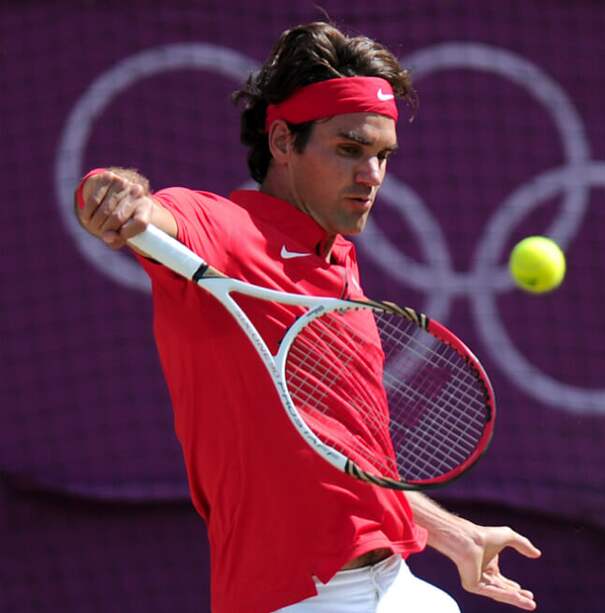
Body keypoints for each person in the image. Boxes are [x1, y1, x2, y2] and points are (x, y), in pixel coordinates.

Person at [73, 21, 540, 613]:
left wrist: (456, 534)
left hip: (398, 588)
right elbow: (148, 209)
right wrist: (116, 193)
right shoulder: (224, 229)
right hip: (300, 600)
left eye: (381, 156)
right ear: (282, 142)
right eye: (348, 149)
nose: (370, 177)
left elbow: (343, 456)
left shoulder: (339, 260)